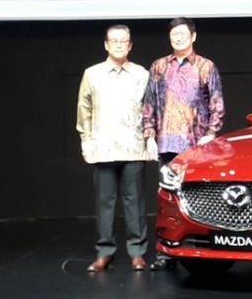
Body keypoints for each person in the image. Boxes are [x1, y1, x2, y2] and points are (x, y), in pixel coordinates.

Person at [143, 17, 226, 270]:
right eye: (173, 34)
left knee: (199, 198)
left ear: (193, 36)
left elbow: (217, 104)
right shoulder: (158, 66)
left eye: (182, 33)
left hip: (195, 146)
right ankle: (167, 251)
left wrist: (211, 134)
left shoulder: (205, 66)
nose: (178, 38)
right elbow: (148, 104)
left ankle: (203, 246)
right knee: (168, 200)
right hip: (167, 143)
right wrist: (148, 136)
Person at [76, 24, 152, 272]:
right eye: (114, 41)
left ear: (130, 45)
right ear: (106, 44)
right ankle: (104, 252)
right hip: (103, 147)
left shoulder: (142, 74)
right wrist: (86, 140)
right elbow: (83, 110)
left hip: (133, 147)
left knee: (135, 202)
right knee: (104, 202)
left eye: (124, 41)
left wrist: (150, 138)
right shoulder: (92, 74)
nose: (119, 44)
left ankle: (137, 253)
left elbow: (151, 110)